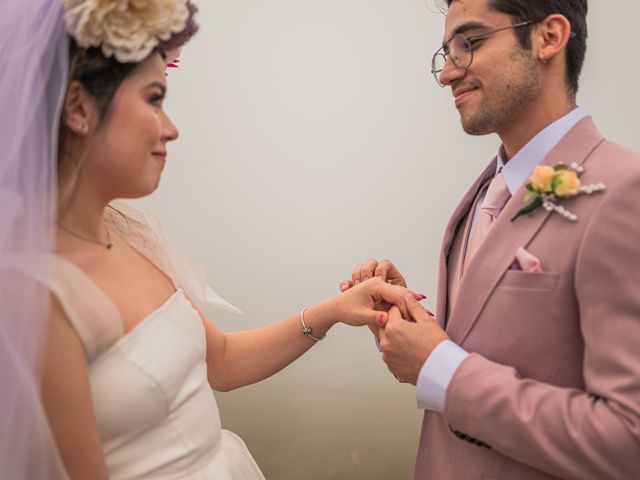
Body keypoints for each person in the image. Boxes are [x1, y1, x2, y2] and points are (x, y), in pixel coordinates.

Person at [0, 1, 420, 479]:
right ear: (77, 107)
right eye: (155, 99)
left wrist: (337, 310)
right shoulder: (33, 291)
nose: (171, 128)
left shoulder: (127, 231)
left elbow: (218, 360)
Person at [344, 0, 640, 478]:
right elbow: (504, 341)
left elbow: (629, 438)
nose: (447, 74)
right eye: (447, 52)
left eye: (470, 43)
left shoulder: (624, 192)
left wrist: (441, 370)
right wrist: (416, 331)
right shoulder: (484, 190)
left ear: (548, 38)